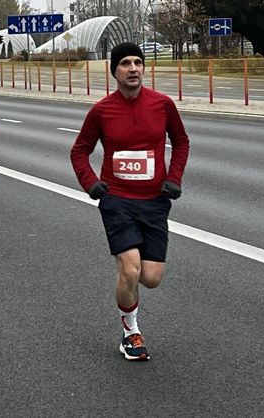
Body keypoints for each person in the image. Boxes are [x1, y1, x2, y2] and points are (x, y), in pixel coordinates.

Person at [70, 42, 190, 362]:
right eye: (125, 63)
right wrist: (91, 183)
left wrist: (174, 178)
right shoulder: (102, 111)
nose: (133, 68)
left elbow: (180, 141)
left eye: (138, 62)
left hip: (154, 201)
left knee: (150, 278)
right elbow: (79, 151)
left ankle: (129, 284)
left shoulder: (162, 105)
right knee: (130, 268)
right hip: (117, 200)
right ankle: (131, 332)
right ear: (114, 71)